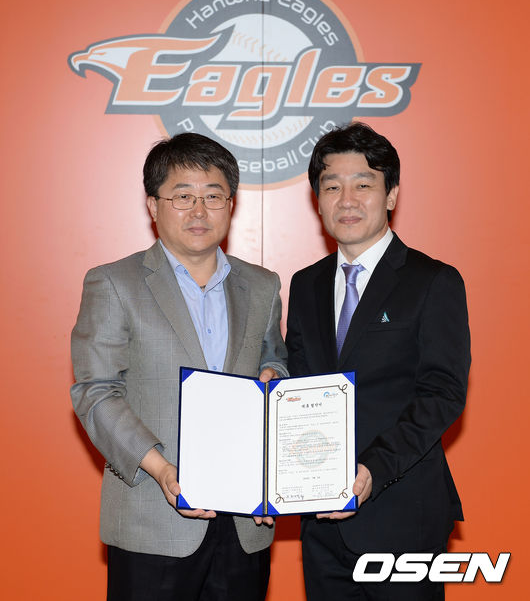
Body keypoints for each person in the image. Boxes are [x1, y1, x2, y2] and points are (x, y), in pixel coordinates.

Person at [71, 132, 288, 601]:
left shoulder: (263, 285)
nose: (199, 211)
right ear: (153, 205)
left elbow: (275, 358)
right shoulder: (114, 283)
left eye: (213, 196)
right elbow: (96, 390)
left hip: (245, 524)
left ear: (231, 204)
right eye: (183, 196)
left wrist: (277, 379)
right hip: (153, 518)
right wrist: (161, 468)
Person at [286, 122, 471, 600]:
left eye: (363, 185)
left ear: (391, 195)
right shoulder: (305, 284)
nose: (347, 200)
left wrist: (372, 469)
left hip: (402, 514)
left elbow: (442, 394)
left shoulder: (433, 281)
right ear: (317, 200)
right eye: (332, 186)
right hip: (321, 522)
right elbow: (299, 385)